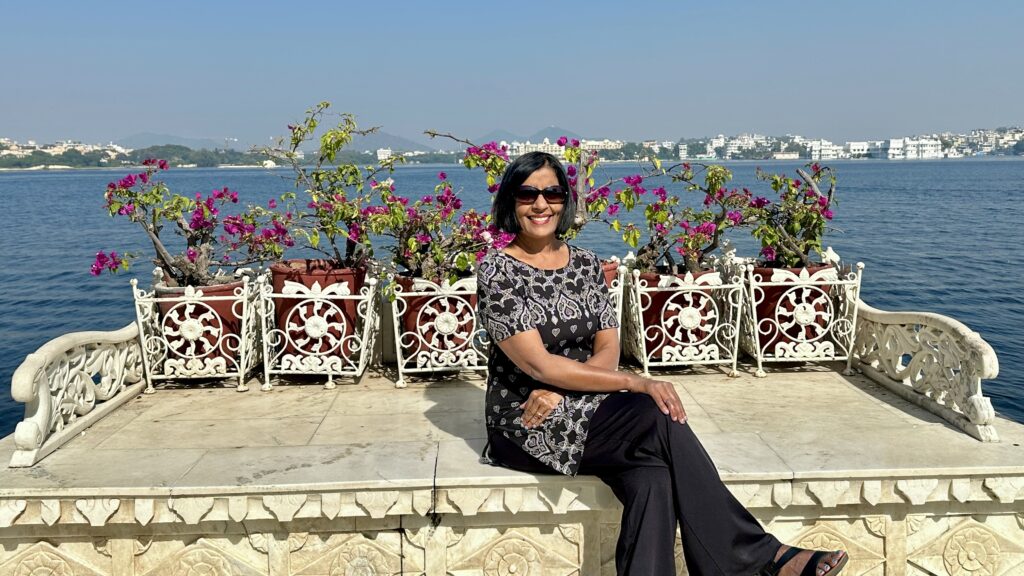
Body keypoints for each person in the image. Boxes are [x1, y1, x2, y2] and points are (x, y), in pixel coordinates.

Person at [476, 151, 849, 576]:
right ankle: (760, 558)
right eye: (528, 194)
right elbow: (539, 366)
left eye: (553, 193)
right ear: (511, 201)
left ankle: (752, 560)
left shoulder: (585, 263)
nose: (541, 204)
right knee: (654, 412)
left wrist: (567, 389)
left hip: (583, 405)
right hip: (526, 422)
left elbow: (608, 347)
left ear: (566, 201)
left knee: (652, 478)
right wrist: (635, 382)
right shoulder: (498, 271)